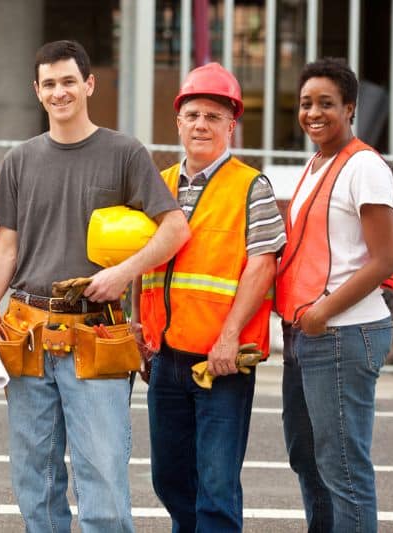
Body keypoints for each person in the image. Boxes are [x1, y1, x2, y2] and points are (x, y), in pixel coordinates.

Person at [0, 40, 190, 533]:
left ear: (88, 84)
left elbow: (175, 228)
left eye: (69, 81)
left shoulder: (124, 152)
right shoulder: (20, 160)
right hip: (27, 334)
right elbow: (6, 249)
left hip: (96, 335)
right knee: (34, 482)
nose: (59, 91)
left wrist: (122, 272)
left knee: (104, 483)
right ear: (37, 91)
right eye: (49, 83)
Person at [133, 63, 286, 532]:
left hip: (222, 360)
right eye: (193, 114)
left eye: (213, 116)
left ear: (231, 126)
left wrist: (229, 336)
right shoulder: (157, 183)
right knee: (170, 478)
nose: (201, 124)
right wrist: (138, 329)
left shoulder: (250, 187)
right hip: (165, 357)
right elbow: (141, 262)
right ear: (178, 122)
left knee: (216, 487)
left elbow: (263, 264)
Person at [277, 58, 393, 533]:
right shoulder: (315, 164)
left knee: (344, 470)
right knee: (308, 460)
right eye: (306, 103)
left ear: (349, 108)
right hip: (307, 333)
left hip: (343, 332)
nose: (314, 112)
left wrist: (322, 311)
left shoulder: (364, 166)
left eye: (326, 103)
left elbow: (384, 260)